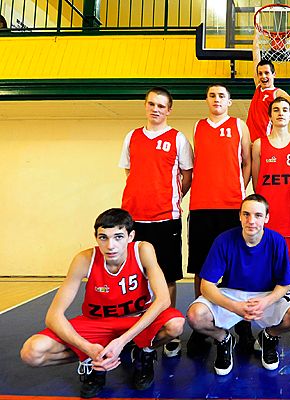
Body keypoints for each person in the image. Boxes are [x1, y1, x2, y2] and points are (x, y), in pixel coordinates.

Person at [20, 209, 185, 399]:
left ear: (130, 236)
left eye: (118, 237)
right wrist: (87, 349)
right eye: (103, 237)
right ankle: (92, 361)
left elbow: (163, 300)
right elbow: (53, 316)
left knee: (175, 324)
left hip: (135, 319)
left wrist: (122, 341)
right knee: (32, 353)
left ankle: (143, 352)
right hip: (97, 322)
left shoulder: (142, 250)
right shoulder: (84, 259)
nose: (110, 245)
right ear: (96, 237)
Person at [187, 194, 290, 375]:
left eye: (258, 215)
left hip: (265, 294)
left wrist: (265, 302)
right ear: (240, 216)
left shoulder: (277, 241)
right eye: (246, 214)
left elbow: (285, 284)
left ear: (267, 218)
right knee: (195, 316)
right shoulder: (224, 240)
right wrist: (234, 306)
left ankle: (269, 337)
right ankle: (223, 339)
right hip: (231, 293)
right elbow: (206, 285)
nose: (251, 221)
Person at [118, 86, 192, 357]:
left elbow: (187, 175)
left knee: (167, 276)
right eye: (152, 104)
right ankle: (136, 329)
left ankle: (168, 329)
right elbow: (130, 171)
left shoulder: (178, 139)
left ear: (169, 110)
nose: (156, 109)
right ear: (145, 105)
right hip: (134, 220)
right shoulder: (132, 137)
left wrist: (170, 198)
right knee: (136, 277)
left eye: (161, 105)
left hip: (166, 218)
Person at [187, 84, 252, 353]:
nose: (217, 99)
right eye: (212, 95)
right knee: (201, 267)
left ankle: (243, 324)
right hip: (201, 206)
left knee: (236, 267)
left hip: (231, 207)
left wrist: (238, 191)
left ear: (229, 101)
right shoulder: (198, 127)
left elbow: (247, 162)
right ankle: (201, 327)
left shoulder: (238, 125)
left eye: (221, 96)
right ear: (206, 99)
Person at [252, 97, 290, 351]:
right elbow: (256, 184)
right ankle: (270, 327)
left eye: (285, 110)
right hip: (269, 221)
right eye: (276, 109)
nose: (280, 113)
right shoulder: (259, 144)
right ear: (270, 115)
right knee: (267, 273)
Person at [247, 31, 290, 142]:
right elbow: (256, 55)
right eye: (260, 73)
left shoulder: (276, 93)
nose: (263, 76)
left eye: (267, 73)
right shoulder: (258, 87)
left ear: (274, 74)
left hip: (264, 142)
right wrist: (257, 34)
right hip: (249, 142)